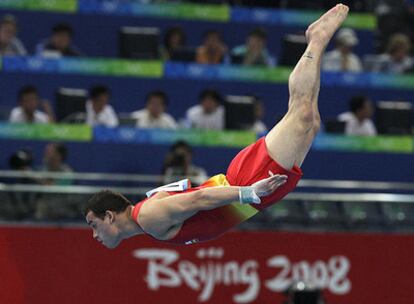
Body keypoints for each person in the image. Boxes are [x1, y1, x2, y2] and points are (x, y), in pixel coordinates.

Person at [84, 4, 350, 248]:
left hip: (246, 183)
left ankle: (317, 39)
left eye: (94, 225)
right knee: (310, 122)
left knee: (302, 115)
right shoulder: (148, 217)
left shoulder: (150, 218)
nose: (94, 235)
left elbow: (197, 200)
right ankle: (317, 41)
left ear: (109, 216)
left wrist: (247, 192)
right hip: (245, 194)